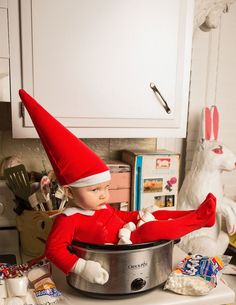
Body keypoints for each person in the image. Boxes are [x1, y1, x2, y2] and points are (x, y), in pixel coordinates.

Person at [19, 89, 216, 285]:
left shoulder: (100, 207)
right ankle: (199, 219)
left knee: (157, 215)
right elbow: (53, 250)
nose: (104, 195)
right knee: (149, 230)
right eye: (95, 190)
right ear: (69, 191)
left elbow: (119, 218)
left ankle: (196, 213)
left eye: (106, 187)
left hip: (127, 233)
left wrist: (139, 214)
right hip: (123, 247)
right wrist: (82, 267)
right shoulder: (68, 219)